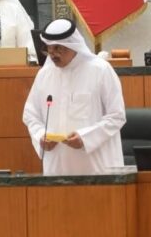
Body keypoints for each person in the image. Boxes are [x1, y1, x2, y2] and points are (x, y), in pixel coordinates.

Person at [22, 19, 126, 175]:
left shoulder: (101, 70)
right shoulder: (44, 75)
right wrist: (40, 136)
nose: (53, 54)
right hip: (57, 169)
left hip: (96, 168)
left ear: (73, 45)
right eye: (49, 49)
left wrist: (86, 138)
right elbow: (31, 115)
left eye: (58, 48)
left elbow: (117, 116)